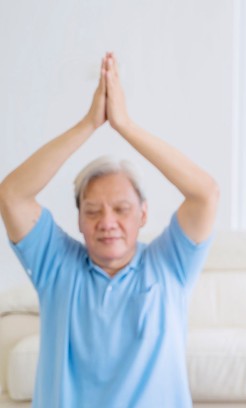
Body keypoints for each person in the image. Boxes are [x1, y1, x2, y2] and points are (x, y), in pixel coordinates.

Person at [0, 52, 219, 407]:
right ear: (78, 220)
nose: (107, 222)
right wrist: (89, 124)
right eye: (93, 211)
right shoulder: (55, 265)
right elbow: (12, 195)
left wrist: (125, 125)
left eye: (121, 209)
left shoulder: (169, 264)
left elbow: (205, 193)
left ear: (143, 215)